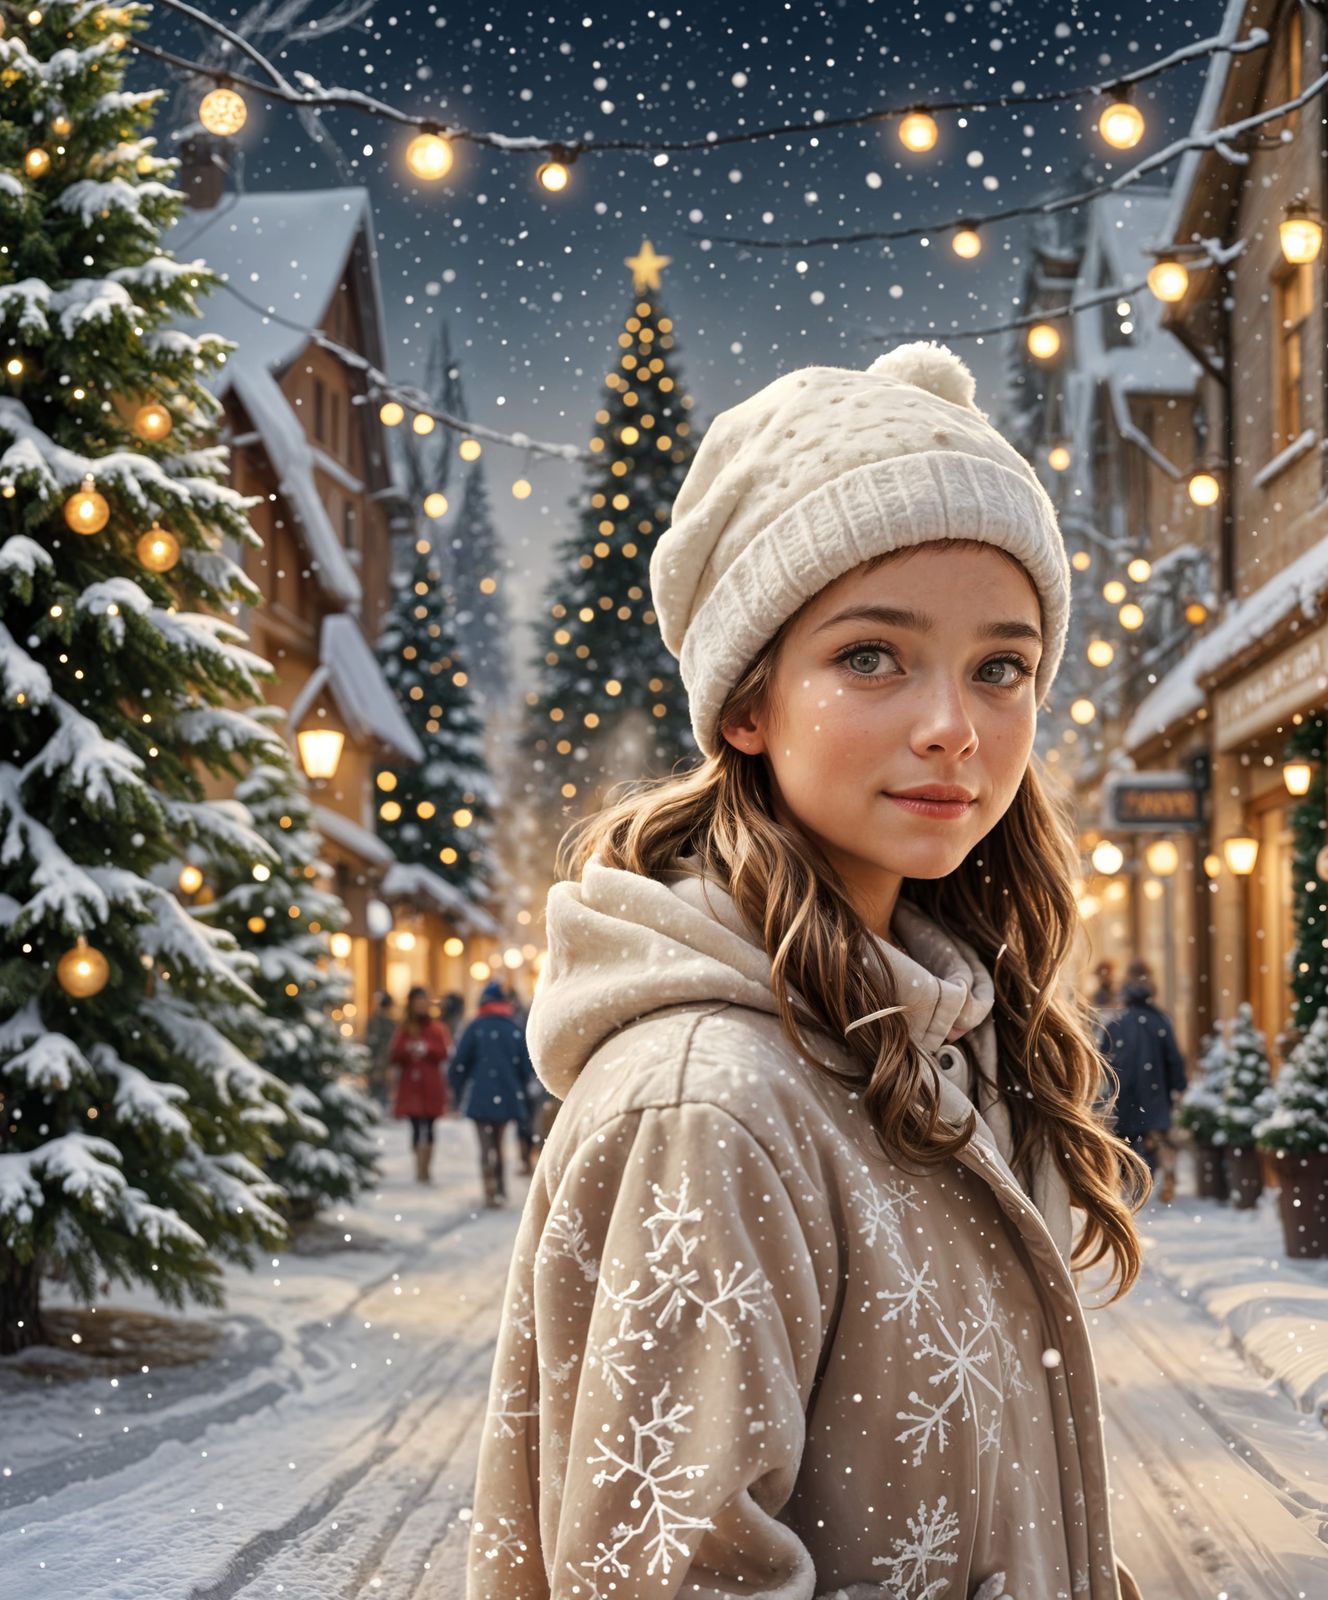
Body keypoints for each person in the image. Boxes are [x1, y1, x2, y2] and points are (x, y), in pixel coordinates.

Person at [466, 341, 1148, 1599]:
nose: (953, 721)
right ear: (746, 702)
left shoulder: (934, 1038)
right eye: (873, 656)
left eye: (1001, 666)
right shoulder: (714, 1103)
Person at [1102, 958, 1188, 1199]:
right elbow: (1174, 1058)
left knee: (1126, 1140)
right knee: (1154, 1139)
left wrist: (1109, 1089)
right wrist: (1178, 1085)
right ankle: (1155, 1178)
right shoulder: (1160, 1020)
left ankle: (1128, 1184)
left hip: (1124, 1093)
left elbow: (1103, 1059)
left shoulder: (1117, 1022)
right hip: (1154, 1093)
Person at [448, 980, 537, 1208]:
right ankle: (500, 1187)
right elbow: (527, 1067)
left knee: (485, 1144)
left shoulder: (475, 1027)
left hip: (481, 1095)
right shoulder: (513, 1028)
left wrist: (456, 1091)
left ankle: (490, 1189)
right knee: (498, 1143)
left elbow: (460, 1064)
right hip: (507, 1095)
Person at [390, 985, 449, 1183]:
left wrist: (428, 1049)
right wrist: (409, 1050)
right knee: (415, 1126)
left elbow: (443, 1052)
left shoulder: (436, 1028)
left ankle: (426, 1167)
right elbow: (395, 1054)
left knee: (430, 1126)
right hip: (412, 1084)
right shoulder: (405, 1028)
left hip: (430, 1084)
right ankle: (418, 1164)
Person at [362, 990, 395, 1105]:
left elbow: (388, 1044)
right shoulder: (376, 1021)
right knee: (377, 1092)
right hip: (376, 1061)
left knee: (381, 1092)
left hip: (383, 1062)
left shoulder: (388, 1022)